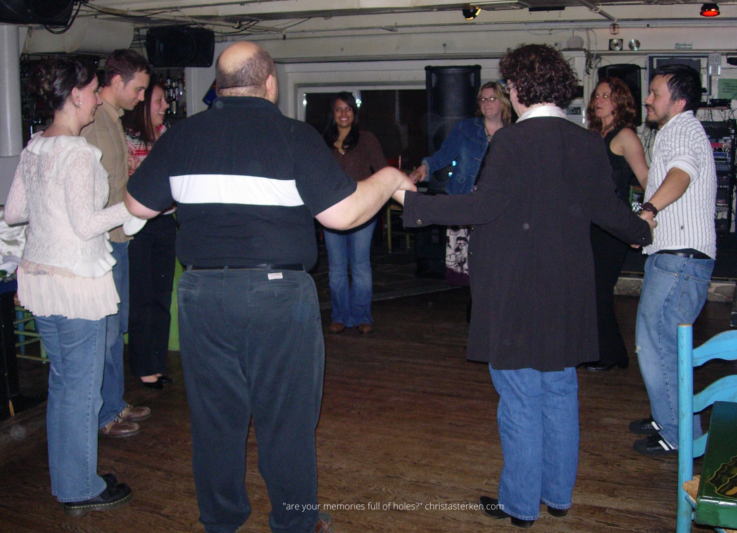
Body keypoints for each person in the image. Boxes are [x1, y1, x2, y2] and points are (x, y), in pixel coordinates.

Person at [125, 41, 413, 533]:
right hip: (278, 296)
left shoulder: (182, 137)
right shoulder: (294, 137)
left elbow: (136, 206)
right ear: (271, 84)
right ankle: (295, 521)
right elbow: (342, 215)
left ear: (218, 85)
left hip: (202, 295)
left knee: (215, 421)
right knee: (285, 419)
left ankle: (221, 518)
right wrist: (387, 178)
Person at [394, 44, 654, 528]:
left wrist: (411, 200)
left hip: (515, 290)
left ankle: (519, 505)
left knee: (519, 397)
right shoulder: (587, 143)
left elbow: (480, 207)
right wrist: (644, 227)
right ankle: (557, 496)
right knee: (559, 391)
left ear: (515, 90)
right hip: (568, 292)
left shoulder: (510, 142)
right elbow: (610, 211)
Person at [4, 58, 143, 515]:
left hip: (41, 281)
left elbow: (14, 213)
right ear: (77, 95)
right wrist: (134, 207)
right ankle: (81, 486)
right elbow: (87, 226)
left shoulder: (36, 147)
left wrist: (54, 212)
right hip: (76, 283)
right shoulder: (79, 152)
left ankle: (71, 479)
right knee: (80, 389)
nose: (99, 96)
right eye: (94, 89)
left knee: (65, 385)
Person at [629, 64, 716, 457]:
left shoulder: (682, 129)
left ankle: (679, 435)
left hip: (680, 261)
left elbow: (680, 177)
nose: (648, 99)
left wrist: (647, 212)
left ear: (678, 101)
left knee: (659, 346)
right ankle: (670, 418)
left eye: (655, 93)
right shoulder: (676, 130)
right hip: (676, 256)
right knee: (663, 345)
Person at [81, 49, 152, 438]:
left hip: (120, 238)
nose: (141, 98)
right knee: (107, 332)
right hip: (105, 243)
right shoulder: (95, 127)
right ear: (116, 82)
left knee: (115, 328)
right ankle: (105, 414)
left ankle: (113, 403)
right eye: (138, 89)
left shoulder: (112, 122)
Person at [410, 81, 512, 287]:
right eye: (483, 99)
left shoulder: (513, 134)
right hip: (466, 201)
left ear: (502, 103)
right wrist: (424, 169)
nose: (487, 103)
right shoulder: (466, 129)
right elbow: (444, 155)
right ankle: (475, 305)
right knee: (469, 264)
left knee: (493, 260)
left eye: (492, 98)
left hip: (497, 205)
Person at [584, 77, 650, 372]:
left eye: (606, 95)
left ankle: (611, 355)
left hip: (612, 224)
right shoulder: (595, 135)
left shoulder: (625, 136)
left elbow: (646, 180)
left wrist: (641, 219)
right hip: (591, 223)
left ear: (619, 101)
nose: (598, 100)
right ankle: (606, 352)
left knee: (598, 289)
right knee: (589, 288)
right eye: (596, 95)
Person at [123, 79, 176, 389]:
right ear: (144, 105)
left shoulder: (166, 136)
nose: (165, 106)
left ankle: (156, 364)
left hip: (166, 222)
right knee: (142, 298)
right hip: (138, 227)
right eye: (159, 100)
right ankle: (143, 366)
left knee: (161, 296)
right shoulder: (126, 138)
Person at [322, 91, 388, 334]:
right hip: (332, 211)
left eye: (347, 109)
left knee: (360, 266)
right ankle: (340, 315)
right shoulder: (323, 141)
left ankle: (362, 316)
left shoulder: (367, 139)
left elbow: (382, 172)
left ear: (354, 112)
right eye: (338, 109)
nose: (343, 113)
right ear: (332, 114)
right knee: (337, 268)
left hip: (362, 210)